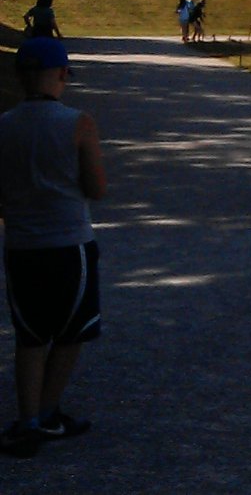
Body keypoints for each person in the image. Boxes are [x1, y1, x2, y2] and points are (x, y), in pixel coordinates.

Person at [0, 38, 107, 458]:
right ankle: (48, 412)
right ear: (62, 75)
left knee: (29, 336)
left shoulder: (3, 125)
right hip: (69, 244)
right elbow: (97, 188)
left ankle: (27, 420)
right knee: (70, 332)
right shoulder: (79, 123)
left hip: (22, 246)